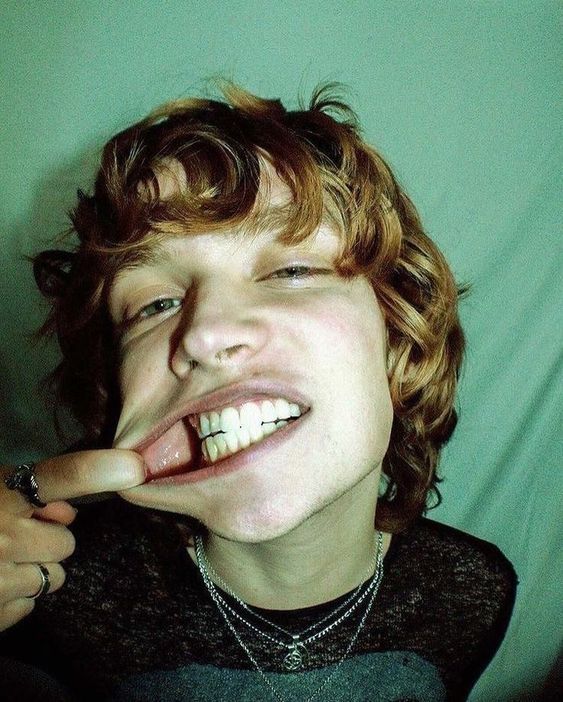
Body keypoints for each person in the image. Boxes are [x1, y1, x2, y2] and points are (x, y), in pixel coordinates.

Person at [0, 83, 516, 702]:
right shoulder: (41, 603)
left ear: (397, 341)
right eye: (154, 304)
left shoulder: (472, 592)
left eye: (291, 270)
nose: (206, 333)